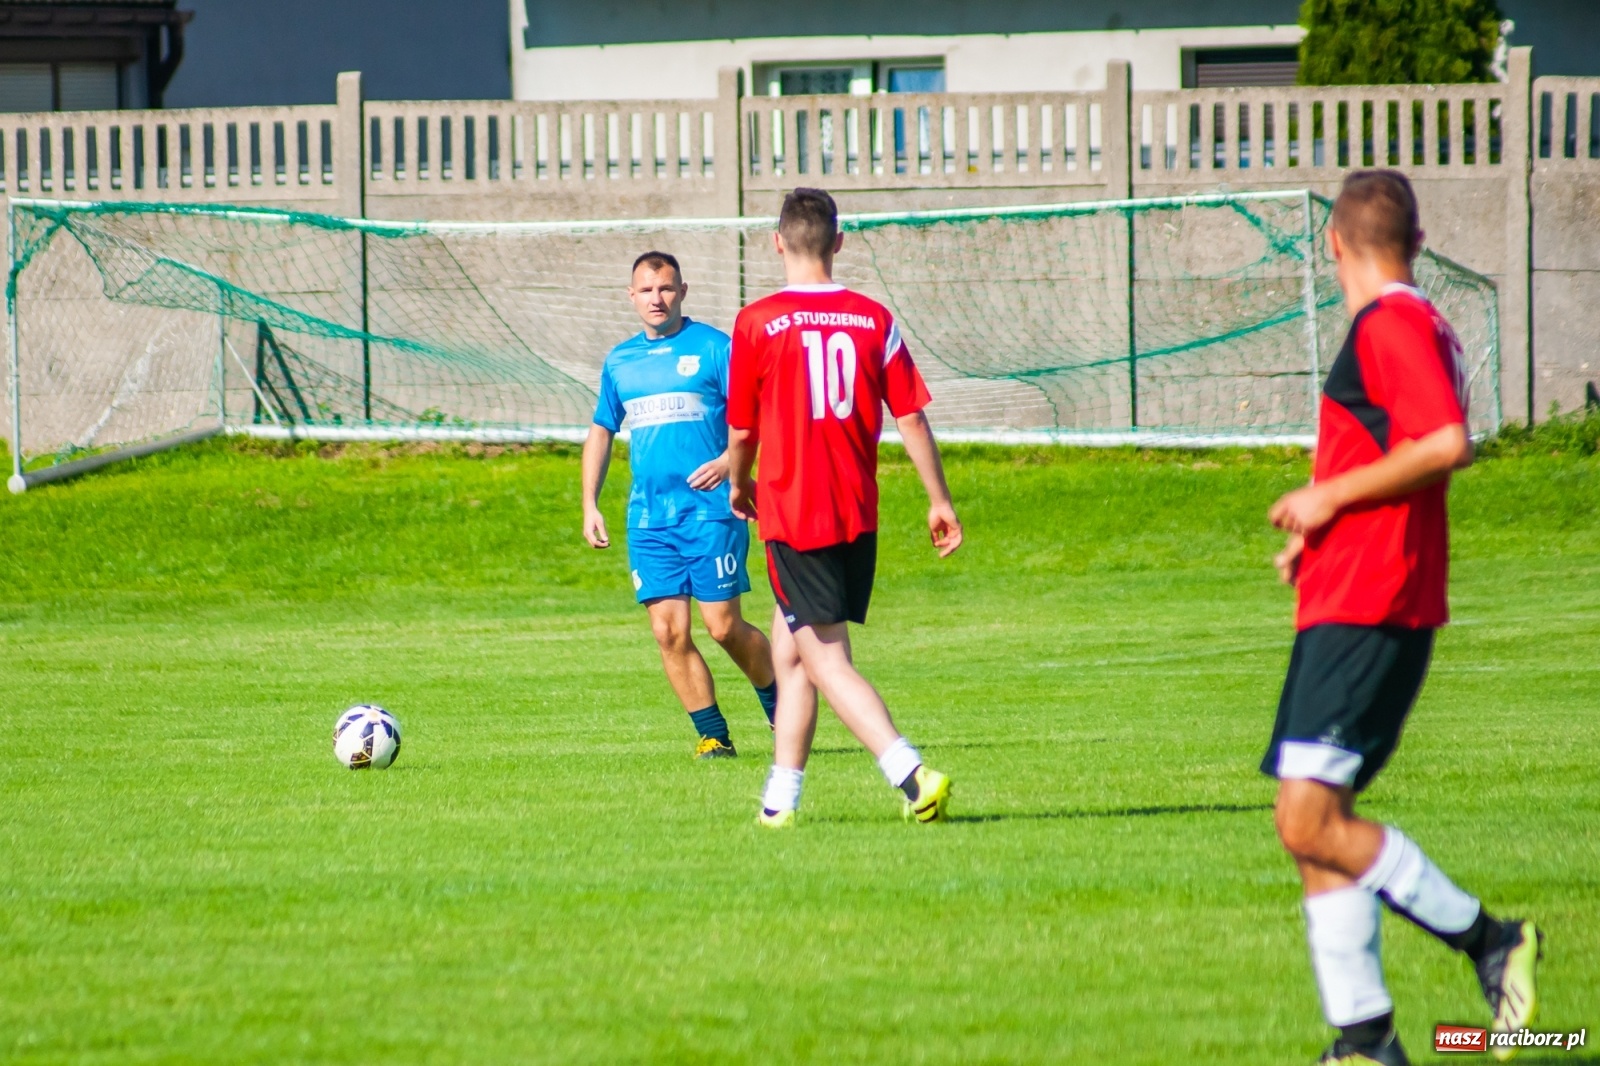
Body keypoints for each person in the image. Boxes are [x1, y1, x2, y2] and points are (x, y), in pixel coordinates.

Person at [1263, 171, 1542, 1066]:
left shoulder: (1392, 322)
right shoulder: (1414, 322)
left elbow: (1445, 441)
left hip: (1371, 602)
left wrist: (1325, 495)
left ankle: (1489, 941)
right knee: (1313, 825)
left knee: (1306, 819)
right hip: (1350, 588)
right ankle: (1365, 1039)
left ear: (1333, 244)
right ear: (1418, 243)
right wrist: (1323, 526)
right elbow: (1396, 448)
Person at [725, 187, 963, 828]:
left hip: (794, 512)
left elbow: (743, 434)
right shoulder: (875, 319)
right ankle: (781, 800)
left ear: (777, 242)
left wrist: (738, 484)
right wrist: (939, 500)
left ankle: (912, 776)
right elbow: (910, 415)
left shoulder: (755, 322)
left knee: (824, 656)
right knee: (791, 651)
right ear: (839, 241)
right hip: (856, 511)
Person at [582, 251, 778, 759]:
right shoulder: (620, 361)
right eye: (646, 290)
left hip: (712, 510)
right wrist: (590, 503)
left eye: (666, 288)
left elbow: (755, 417)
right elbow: (602, 429)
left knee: (723, 627)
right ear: (631, 296)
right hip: (649, 520)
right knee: (668, 632)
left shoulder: (715, 348)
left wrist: (727, 461)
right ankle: (714, 737)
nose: (656, 299)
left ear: (683, 291)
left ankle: (784, 707)